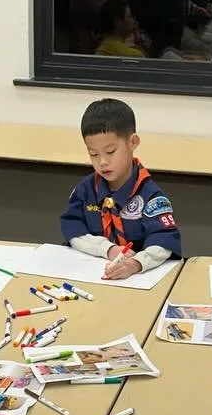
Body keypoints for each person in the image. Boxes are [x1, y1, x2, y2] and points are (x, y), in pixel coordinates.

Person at [60, 99, 182, 280]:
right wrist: (107, 249)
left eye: (110, 152)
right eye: (93, 154)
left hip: (136, 280)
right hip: (89, 276)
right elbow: (73, 231)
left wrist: (136, 263)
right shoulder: (85, 190)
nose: (102, 162)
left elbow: (164, 241)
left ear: (132, 142)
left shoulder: (151, 196)